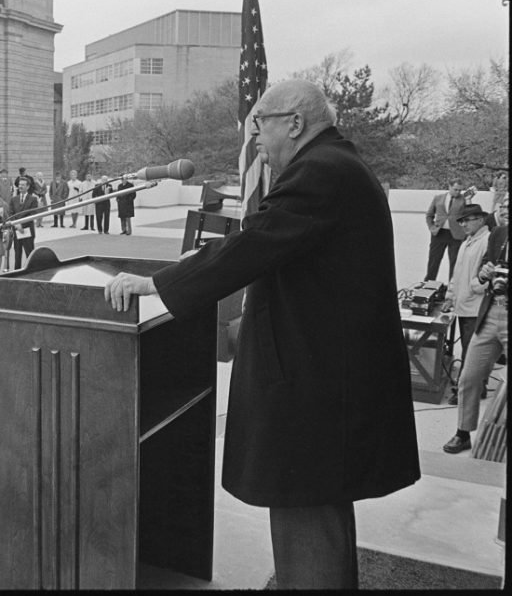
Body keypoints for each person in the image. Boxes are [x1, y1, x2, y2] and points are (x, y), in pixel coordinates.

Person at [103, 79, 420, 590]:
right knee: (322, 518)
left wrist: (158, 283)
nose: (257, 143)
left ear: (294, 123)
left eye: (260, 127)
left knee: (307, 520)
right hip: (327, 384)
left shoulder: (320, 171)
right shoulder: (339, 166)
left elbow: (255, 244)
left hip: (316, 393)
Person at [442, 196, 508, 454]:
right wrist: (485, 272)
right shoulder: (499, 234)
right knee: (469, 377)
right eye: (503, 205)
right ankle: (462, 433)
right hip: (491, 312)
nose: (504, 210)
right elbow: (481, 270)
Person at [440, 203, 491, 403]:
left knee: (473, 354)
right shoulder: (467, 242)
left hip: (476, 308)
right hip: (464, 306)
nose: (462, 225)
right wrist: (450, 297)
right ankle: (477, 387)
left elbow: (484, 280)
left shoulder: (487, 241)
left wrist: (473, 287)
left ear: (480, 219)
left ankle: (470, 391)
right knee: (470, 350)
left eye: (466, 220)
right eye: (460, 221)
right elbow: (457, 273)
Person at [424, 177, 474, 281]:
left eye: (460, 190)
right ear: (449, 187)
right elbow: (429, 215)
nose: (458, 192)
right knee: (434, 260)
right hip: (439, 233)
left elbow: (470, 214)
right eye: (456, 189)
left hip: (456, 235)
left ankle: (452, 287)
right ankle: (428, 284)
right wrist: (432, 227)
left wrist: (469, 200)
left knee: (455, 262)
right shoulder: (438, 198)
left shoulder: (463, 199)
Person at [9, 177, 39, 270]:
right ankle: (17, 272)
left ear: (28, 186)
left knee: (29, 254)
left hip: (27, 230)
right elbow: (11, 214)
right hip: (17, 230)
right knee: (17, 254)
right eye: (19, 185)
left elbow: (32, 214)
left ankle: (31, 271)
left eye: (23, 185)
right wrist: (17, 225)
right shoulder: (13, 199)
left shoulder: (33, 199)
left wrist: (22, 225)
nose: (20, 186)